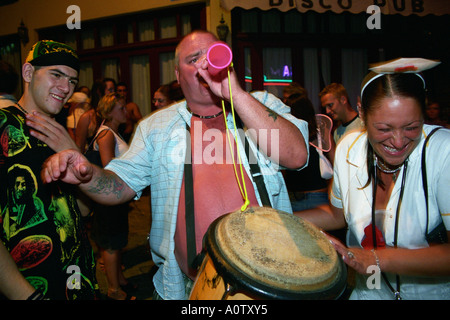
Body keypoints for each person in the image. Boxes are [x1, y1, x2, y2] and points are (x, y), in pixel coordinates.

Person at [41, 30, 309, 300]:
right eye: (194, 59)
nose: (205, 65)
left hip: (266, 284)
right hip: (184, 287)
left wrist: (235, 95)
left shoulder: (259, 105)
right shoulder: (157, 127)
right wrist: (87, 176)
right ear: (178, 77)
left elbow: (296, 156)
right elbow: (120, 186)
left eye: (213, 55)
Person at [295, 62, 450, 300]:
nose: (398, 142)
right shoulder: (348, 148)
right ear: (362, 112)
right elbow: (338, 215)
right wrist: (278, 219)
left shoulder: (443, 152)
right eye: (384, 128)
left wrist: (376, 259)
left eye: (412, 127)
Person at [0, 40, 98, 300]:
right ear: (28, 73)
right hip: (31, 288)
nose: (66, 88)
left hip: (78, 283)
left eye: (73, 81)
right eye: (56, 74)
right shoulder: (4, 125)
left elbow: (84, 210)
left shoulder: (56, 132)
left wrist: (76, 156)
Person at [88, 93, 135, 300]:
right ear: (109, 112)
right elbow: (109, 167)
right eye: (122, 108)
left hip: (114, 195)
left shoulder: (113, 131)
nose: (126, 112)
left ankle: (120, 280)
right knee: (111, 244)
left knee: (115, 240)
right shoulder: (106, 134)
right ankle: (114, 290)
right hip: (109, 196)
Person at [283, 94, 329, 211]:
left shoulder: (320, 134)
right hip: (299, 197)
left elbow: (337, 165)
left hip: (311, 197)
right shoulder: (320, 134)